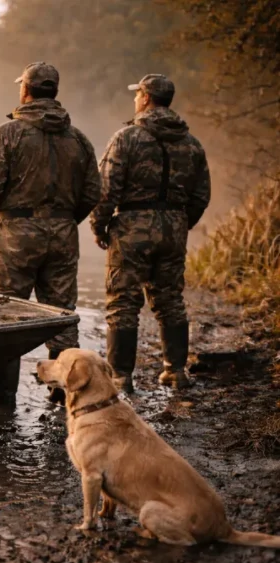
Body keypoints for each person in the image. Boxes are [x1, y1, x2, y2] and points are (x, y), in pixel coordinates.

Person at [0, 62, 101, 403]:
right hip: (62, 234)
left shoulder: (8, 133)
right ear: (54, 91)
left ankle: (3, 405)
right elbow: (93, 192)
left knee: (5, 317)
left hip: (15, 232)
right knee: (61, 317)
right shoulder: (79, 139)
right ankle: (64, 398)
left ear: (26, 90)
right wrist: (66, 220)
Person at [91, 74, 210, 392]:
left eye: (137, 95)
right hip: (174, 228)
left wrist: (99, 225)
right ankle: (176, 371)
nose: (135, 99)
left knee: (123, 302)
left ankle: (120, 377)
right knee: (170, 299)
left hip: (132, 227)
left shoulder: (126, 138)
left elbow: (106, 190)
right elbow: (201, 195)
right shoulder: (192, 143)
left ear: (145, 98)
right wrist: (181, 224)